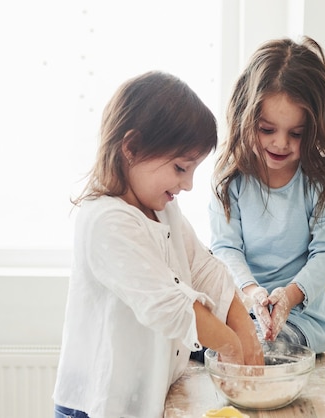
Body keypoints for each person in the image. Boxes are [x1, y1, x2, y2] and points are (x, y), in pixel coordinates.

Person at [53, 71, 264, 418]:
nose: (189, 184)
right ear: (131, 148)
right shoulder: (106, 221)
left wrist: (246, 334)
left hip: (143, 395)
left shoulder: (162, 210)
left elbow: (204, 268)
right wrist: (229, 344)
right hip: (98, 404)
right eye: (181, 167)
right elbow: (169, 304)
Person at [209, 37, 325, 355]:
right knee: (203, 341)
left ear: (313, 129)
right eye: (267, 129)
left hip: (301, 318)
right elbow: (226, 248)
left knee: (257, 350)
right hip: (240, 306)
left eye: (296, 133)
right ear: (245, 118)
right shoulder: (230, 178)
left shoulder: (324, 182)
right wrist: (252, 291)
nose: (280, 143)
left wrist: (289, 296)